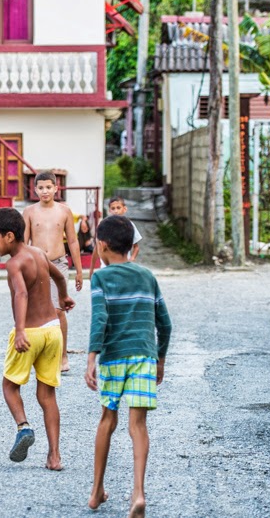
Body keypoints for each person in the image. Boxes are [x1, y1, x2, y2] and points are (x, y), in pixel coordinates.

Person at [84, 215, 172, 517]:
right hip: (144, 356)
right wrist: (160, 359)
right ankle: (138, 492)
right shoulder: (147, 276)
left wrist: (91, 357)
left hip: (113, 357)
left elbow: (100, 319)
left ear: (103, 246)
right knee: (138, 426)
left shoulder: (101, 278)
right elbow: (165, 323)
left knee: (108, 420)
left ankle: (96, 490)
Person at [0, 208, 75, 470]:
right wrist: (64, 296)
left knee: (10, 386)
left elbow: (20, 295)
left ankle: (23, 427)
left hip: (31, 332)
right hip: (53, 330)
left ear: (9, 236)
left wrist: (20, 330)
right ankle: (54, 456)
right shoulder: (39, 253)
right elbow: (58, 275)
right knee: (47, 395)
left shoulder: (14, 263)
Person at [22, 172, 83, 372]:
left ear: (56, 188)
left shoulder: (64, 211)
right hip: (37, 263)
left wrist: (79, 271)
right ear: (35, 189)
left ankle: (63, 356)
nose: (45, 191)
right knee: (37, 310)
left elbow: (73, 241)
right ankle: (39, 354)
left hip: (60, 263)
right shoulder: (29, 212)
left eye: (49, 187)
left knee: (59, 310)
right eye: (41, 187)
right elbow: (24, 242)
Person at [89, 197, 142, 279]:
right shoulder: (104, 226)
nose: (116, 211)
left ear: (124, 209)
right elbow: (96, 249)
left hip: (124, 267)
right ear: (109, 210)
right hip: (106, 267)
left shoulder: (129, 226)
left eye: (118, 208)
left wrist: (132, 258)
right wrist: (91, 269)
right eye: (113, 208)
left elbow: (136, 247)